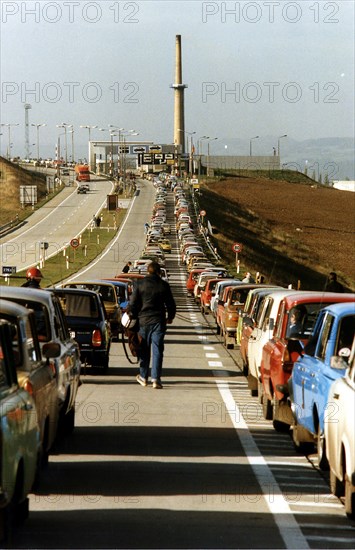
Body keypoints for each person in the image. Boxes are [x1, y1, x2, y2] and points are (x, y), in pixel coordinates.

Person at [128, 261, 176, 389]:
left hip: (143, 321)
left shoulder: (139, 284)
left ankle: (143, 377)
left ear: (147, 271)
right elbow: (171, 303)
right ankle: (156, 379)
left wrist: (130, 316)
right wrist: (170, 317)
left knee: (144, 349)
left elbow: (132, 303)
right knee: (157, 350)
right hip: (158, 321)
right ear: (159, 272)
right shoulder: (164, 285)